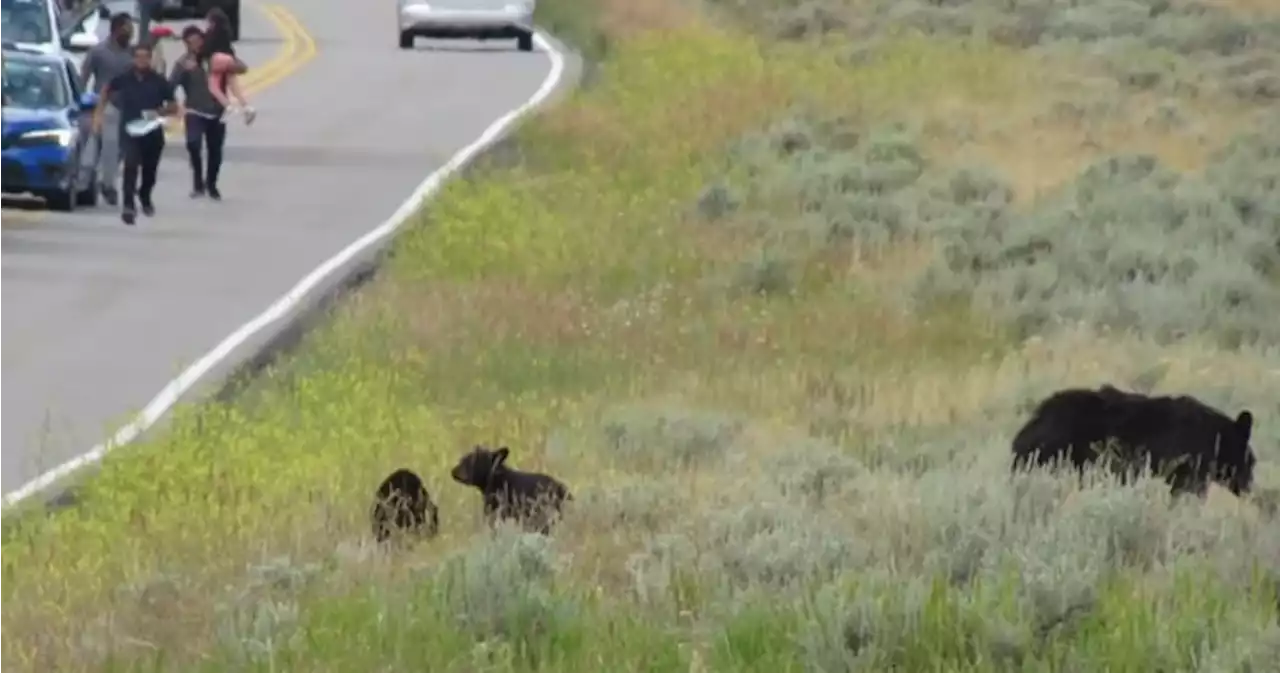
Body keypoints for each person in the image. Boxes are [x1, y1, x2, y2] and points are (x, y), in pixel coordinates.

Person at [92, 43, 178, 226]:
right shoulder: (125, 78)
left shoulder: (159, 81)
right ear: (133, 59)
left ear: (150, 59)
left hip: (152, 131)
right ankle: (128, 206)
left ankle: (145, 195)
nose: (141, 60)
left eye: (145, 57)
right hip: (130, 129)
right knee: (130, 165)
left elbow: (174, 106)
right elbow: (106, 90)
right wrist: (99, 114)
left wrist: (160, 112)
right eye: (138, 57)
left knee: (149, 170)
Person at [79, 12, 135, 206]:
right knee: (104, 146)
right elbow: (83, 77)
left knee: (121, 150)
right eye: (127, 28)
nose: (130, 33)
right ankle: (102, 184)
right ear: (116, 29)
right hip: (103, 105)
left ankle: (106, 181)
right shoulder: (98, 52)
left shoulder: (133, 53)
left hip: (128, 107)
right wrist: (80, 100)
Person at [170, 25, 227, 199]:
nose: (196, 45)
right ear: (186, 44)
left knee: (215, 150)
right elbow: (170, 86)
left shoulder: (215, 59)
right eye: (191, 42)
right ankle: (197, 183)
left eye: (198, 40)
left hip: (216, 111)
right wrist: (174, 105)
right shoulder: (182, 64)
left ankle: (211, 184)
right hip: (194, 111)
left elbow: (238, 69)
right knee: (193, 144)